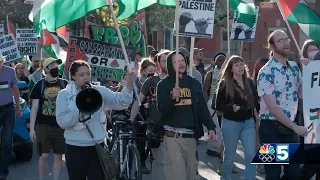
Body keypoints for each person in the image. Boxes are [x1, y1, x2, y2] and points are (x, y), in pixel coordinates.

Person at [56, 60, 135, 180]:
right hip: (75, 148)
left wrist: (129, 86)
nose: (86, 77)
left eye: (88, 74)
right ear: (73, 76)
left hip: (97, 148)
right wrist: (80, 107)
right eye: (81, 75)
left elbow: (121, 102)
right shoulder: (64, 94)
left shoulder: (99, 91)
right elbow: (62, 122)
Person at [154, 50, 216, 180]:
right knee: (177, 175)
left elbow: (202, 107)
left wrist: (211, 127)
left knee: (191, 176)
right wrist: (171, 97)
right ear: (171, 65)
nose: (180, 64)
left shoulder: (194, 83)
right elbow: (162, 110)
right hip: (172, 137)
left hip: (191, 137)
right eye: (176, 62)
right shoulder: (163, 84)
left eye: (182, 60)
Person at [257, 30, 307, 180]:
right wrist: (295, 127)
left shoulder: (294, 68)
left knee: (293, 174)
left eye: (287, 39)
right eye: (281, 40)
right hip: (270, 129)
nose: (286, 42)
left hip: (290, 131)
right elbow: (273, 108)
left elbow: (302, 94)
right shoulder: (265, 72)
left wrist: (309, 70)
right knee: (272, 174)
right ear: (271, 47)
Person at [129, 50, 170, 180]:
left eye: (170, 60)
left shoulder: (180, 80)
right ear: (157, 63)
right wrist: (131, 120)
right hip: (156, 130)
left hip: (176, 129)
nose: (168, 63)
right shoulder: (151, 82)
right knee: (160, 162)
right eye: (164, 61)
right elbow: (138, 102)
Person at [216, 55, 259, 180]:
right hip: (231, 122)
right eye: (236, 65)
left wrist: (255, 111)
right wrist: (231, 108)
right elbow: (218, 105)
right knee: (229, 155)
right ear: (231, 69)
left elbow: (256, 101)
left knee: (251, 154)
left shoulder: (250, 82)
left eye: (241, 64)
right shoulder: (225, 84)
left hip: (248, 122)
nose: (240, 67)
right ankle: (226, 177)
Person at [29, 57, 68, 180]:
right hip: (43, 125)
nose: (55, 67)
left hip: (60, 126)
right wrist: (32, 129)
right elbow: (34, 108)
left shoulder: (65, 84)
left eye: (56, 65)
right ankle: (42, 178)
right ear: (45, 69)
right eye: (51, 66)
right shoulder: (39, 85)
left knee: (58, 156)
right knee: (44, 155)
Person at [299, 39, 320, 180]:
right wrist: (306, 69)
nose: (314, 52)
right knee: (313, 162)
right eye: (311, 50)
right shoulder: (301, 68)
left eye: (316, 49)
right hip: (308, 121)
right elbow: (301, 94)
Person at [0, 55, 22, 180]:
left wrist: (18, 108)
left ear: (2, 62)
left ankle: (3, 171)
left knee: (7, 142)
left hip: (8, 110)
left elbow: (15, 90)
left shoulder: (10, 71)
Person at [252, 57, 268, 174]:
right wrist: (256, 114)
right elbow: (252, 100)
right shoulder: (253, 82)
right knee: (260, 140)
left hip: (270, 113)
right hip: (258, 114)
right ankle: (262, 164)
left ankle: (266, 163)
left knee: (267, 141)